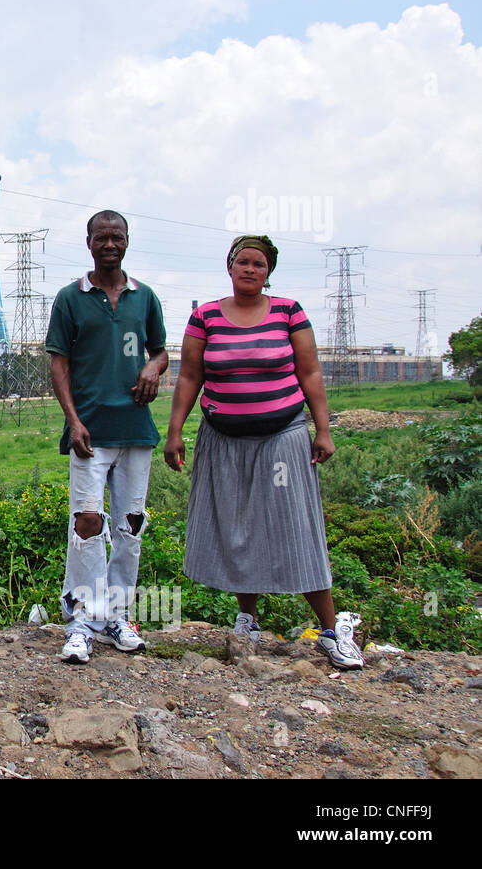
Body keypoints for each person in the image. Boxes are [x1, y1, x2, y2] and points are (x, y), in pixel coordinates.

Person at [164, 235, 363, 670]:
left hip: (283, 436)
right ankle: (247, 619)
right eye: (242, 261)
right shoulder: (205, 316)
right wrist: (175, 431)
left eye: (258, 263)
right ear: (230, 267)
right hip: (224, 437)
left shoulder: (289, 312)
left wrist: (323, 430)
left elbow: (309, 371)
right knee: (238, 526)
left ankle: (331, 630)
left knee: (297, 528)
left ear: (268, 271)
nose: (250, 269)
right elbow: (189, 376)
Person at [45, 210, 168, 663]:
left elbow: (161, 353)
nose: (110, 244)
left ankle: (117, 615)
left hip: (135, 430)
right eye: (102, 237)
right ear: (89, 242)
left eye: (117, 237)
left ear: (128, 240)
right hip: (90, 431)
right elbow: (58, 364)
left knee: (130, 526)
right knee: (87, 523)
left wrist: (153, 368)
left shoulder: (144, 297)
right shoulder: (70, 299)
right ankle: (81, 618)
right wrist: (73, 421)